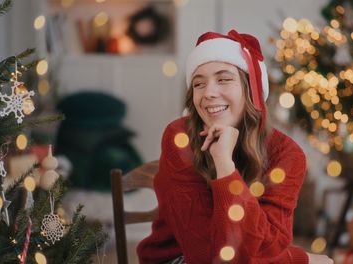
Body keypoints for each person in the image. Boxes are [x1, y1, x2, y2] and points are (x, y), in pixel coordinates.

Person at [137, 29, 333, 264]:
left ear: (251, 90)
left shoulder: (286, 154)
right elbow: (206, 256)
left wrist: (224, 166)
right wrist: (300, 259)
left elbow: (270, 246)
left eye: (224, 79)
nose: (208, 93)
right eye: (198, 84)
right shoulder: (180, 138)